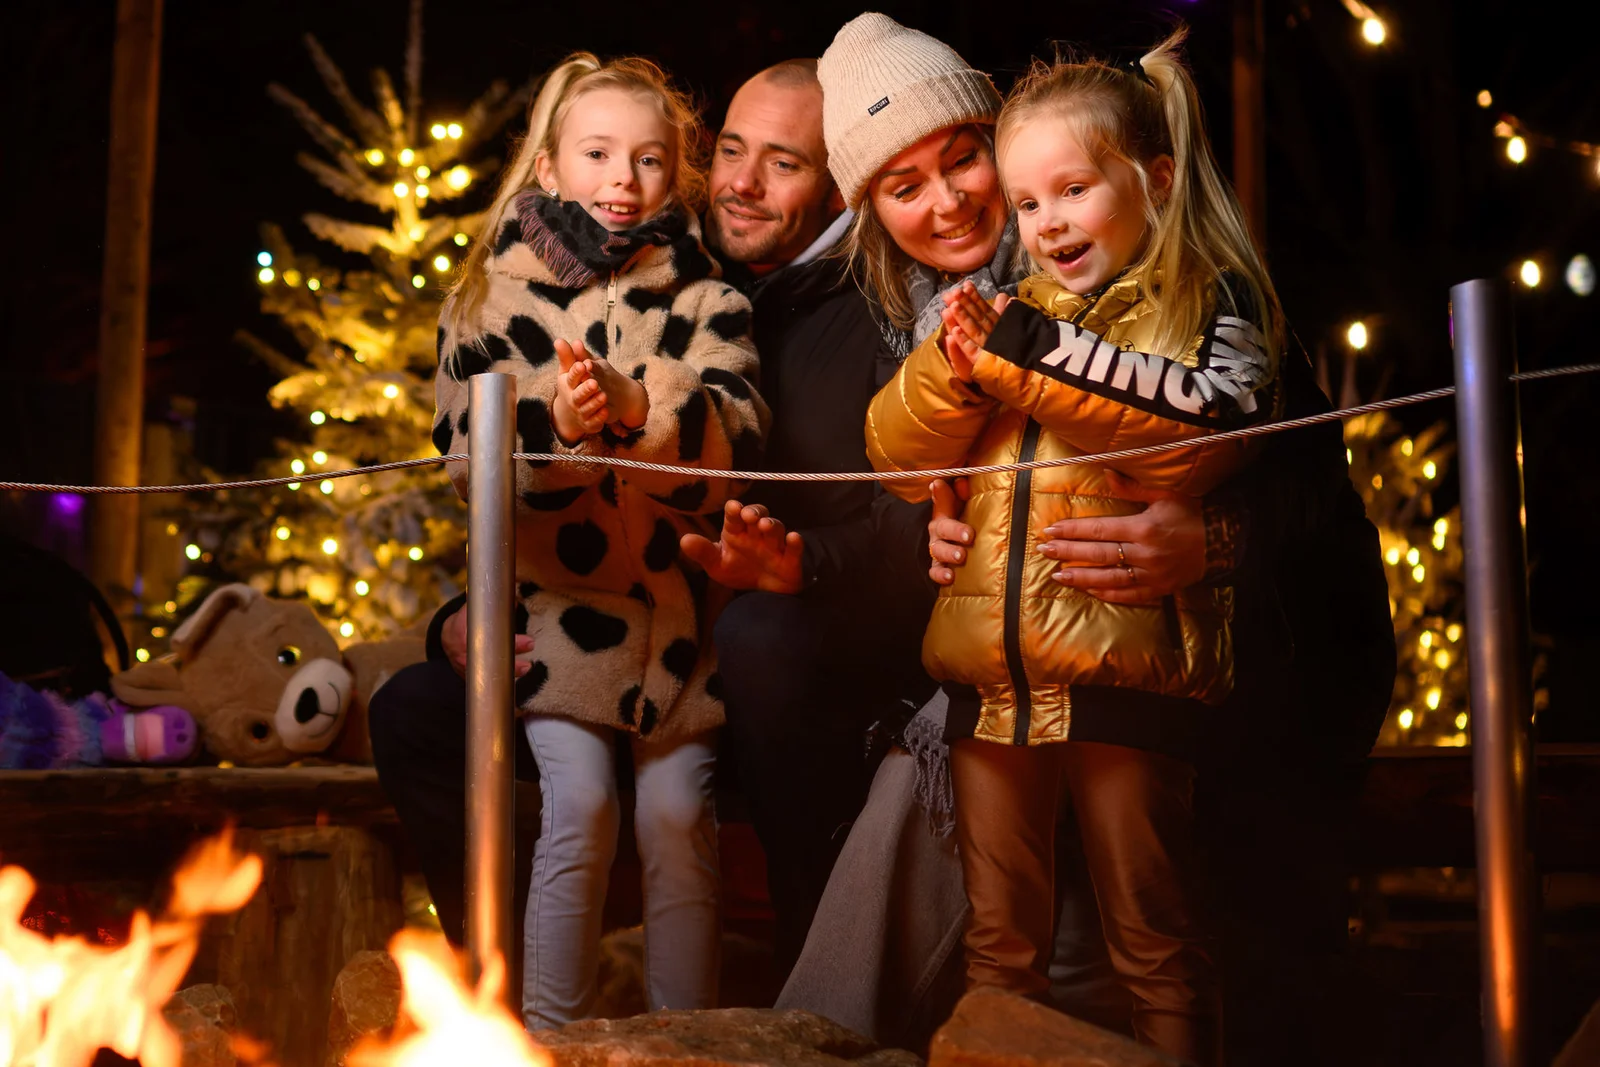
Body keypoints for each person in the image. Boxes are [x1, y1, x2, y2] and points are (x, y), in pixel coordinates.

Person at [863, 31, 1286, 1064]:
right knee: (998, 941)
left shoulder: (1200, 304)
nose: (1046, 223)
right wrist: (951, 374)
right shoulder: (1016, 318)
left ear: (1154, 180)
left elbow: (1194, 437)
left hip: (1122, 671)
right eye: (1028, 203)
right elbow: (889, 450)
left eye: (1072, 190)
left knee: (1152, 933)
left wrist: (1018, 358)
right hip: (988, 677)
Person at [377, 52, 768, 1031]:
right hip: (558, 621)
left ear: (674, 173)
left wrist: (646, 409)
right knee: (581, 803)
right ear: (549, 168)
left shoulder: (707, 298)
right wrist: (554, 424)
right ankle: (549, 1035)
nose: (621, 182)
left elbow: (739, 437)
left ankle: (686, 1043)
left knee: (680, 817)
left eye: (647, 160)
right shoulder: (487, 306)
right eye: (597, 154)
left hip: (682, 627)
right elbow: (472, 465)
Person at [679, 58, 942, 981]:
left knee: (762, 634)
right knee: (423, 714)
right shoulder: (677, 281)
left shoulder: (884, 305)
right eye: (731, 151)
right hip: (656, 643)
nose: (740, 184)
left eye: (780, 164)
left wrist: (803, 566)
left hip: (840, 653)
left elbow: (917, 524)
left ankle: (815, 996)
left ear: (838, 184)